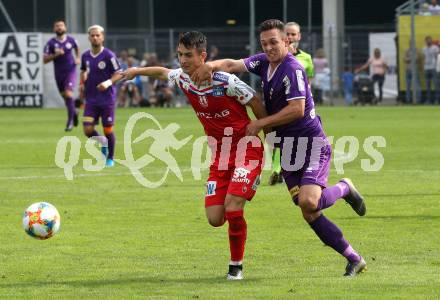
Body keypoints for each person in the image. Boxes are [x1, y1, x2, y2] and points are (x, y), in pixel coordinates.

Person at [191, 19, 367, 277]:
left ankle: (344, 187)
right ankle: (354, 258)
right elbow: (232, 65)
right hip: (287, 149)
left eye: (274, 42)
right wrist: (211, 66)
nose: (269, 47)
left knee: (310, 201)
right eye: (264, 43)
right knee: (308, 211)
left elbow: (297, 109)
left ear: (287, 41)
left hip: (310, 144)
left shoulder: (292, 69)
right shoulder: (264, 61)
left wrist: (260, 123)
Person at [122, 31, 268, 280]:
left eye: (188, 55)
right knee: (215, 218)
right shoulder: (183, 79)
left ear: (203, 56)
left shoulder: (226, 81)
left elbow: (255, 101)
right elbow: (160, 72)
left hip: (247, 150)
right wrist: (136, 72)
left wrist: (268, 135)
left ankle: (236, 267)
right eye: (180, 55)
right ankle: (237, 198)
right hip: (219, 158)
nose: (183, 60)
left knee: (233, 208)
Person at [263, 21, 316, 186]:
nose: (291, 37)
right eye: (289, 34)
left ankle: (288, 169)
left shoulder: (306, 57)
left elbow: (309, 80)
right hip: (279, 104)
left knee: (293, 139)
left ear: (299, 36)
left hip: (299, 104)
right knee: (275, 138)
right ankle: (276, 169)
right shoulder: (276, 57)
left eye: (294, 34)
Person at [80, 25, 124, 167]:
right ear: (89, 38)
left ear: (102, 37)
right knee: (87, 129)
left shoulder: (109, 55)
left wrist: (108, 82)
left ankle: (110, 158)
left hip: (107, 99)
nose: (95, 37)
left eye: (97, 35)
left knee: (108, 129)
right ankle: (102, 142)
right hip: (91, 99)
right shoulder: (85, 56)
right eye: (92, 35)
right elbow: (83, 71)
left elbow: (119, 73)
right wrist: (82, 83)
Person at [44, 19, 80, 132]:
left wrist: (78, 58)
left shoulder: (71, 40)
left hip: (70, 71)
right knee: (66, 97)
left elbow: (77, 48)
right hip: (58, 74)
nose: (59, 27)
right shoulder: (50, 43)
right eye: (57, 26)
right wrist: (56, 54)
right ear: (54, 29)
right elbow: (44, 60)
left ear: (65, 28)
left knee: (69, 94)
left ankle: (69, 122)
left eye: (61, 25)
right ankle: (74, 112)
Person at [422, 36, 439, 104]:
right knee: (427, 85)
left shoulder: (435, 48)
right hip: (426, 68)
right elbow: (424, 57)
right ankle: (428, 100)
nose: (428, 41)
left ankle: (437, 100)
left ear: (431, 41)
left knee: (436, 84)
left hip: (433, 67)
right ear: (425, 41)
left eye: (429, 40)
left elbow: (437, 57)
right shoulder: (424, 49)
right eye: (427, 40)